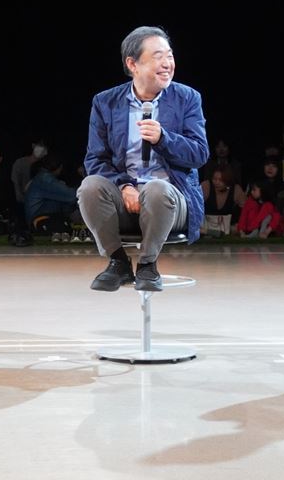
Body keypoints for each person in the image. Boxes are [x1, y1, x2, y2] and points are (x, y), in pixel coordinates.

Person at [77, 26, 209, 292]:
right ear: (132, 64)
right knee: (89, 187)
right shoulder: (105, 102)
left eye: (170, 56)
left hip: (171, 199)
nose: (167, 63)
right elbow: (95, 159)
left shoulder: (187, 98)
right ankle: (118, 262)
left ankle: (148, 264)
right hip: (125, 197)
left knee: (157, 189)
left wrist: (163, 138)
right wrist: (125, 186)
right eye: (158, 56)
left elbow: (199, 153)